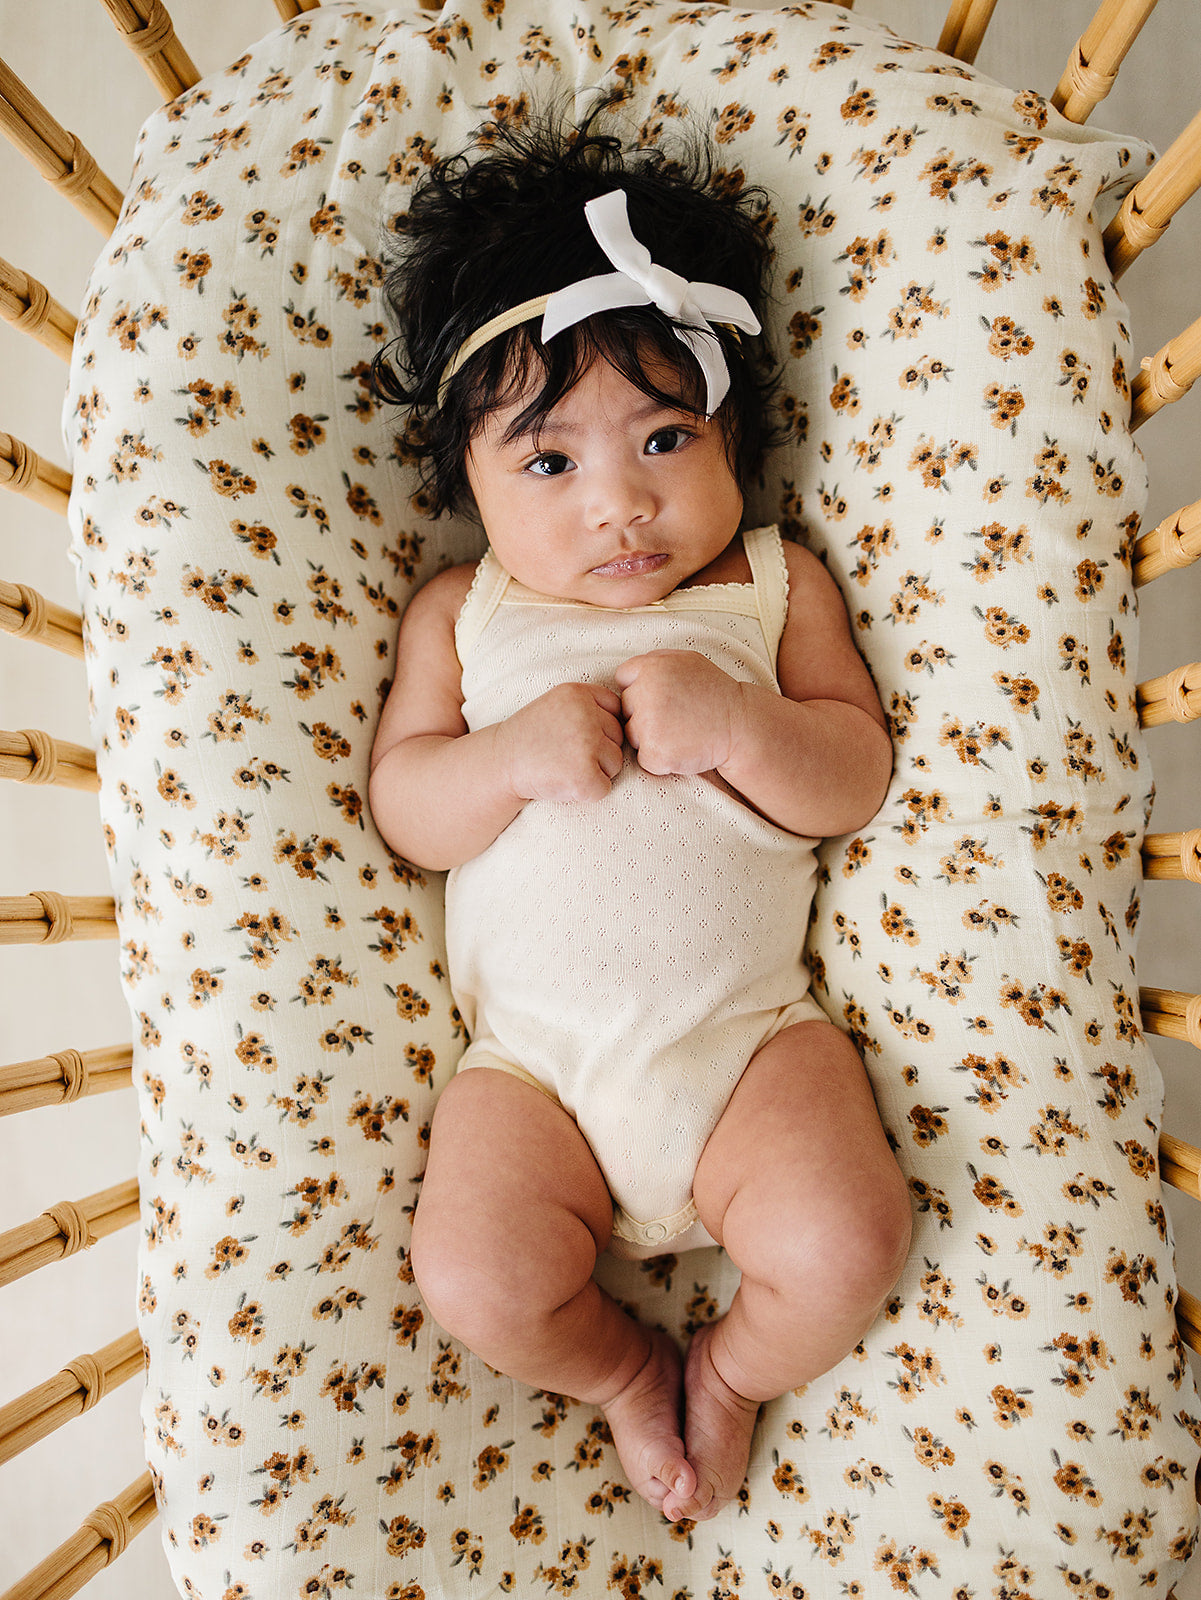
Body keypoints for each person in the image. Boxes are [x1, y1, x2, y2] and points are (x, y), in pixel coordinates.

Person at [368, 111, 911, 1524]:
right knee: (473, 1278)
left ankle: (727, 1373)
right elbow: (408, 809)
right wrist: (506, 762)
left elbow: (854, 773)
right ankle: (621, 1373)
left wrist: (743, 726)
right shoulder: (466, 614)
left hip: (748, 1043)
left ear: (734, 433)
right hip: (532, 1073)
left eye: (666, 437)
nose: (620, 505)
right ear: (468, 482)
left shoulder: (771, 587)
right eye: (548, 464)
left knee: (849, 1241)